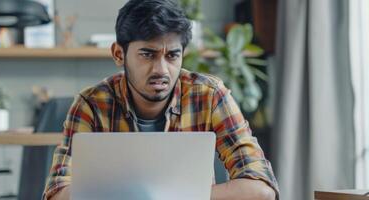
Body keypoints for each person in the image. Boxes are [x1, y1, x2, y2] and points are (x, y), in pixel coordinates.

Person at [43, 0, 279, 199]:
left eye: (172, 55)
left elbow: (262, 190)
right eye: (147, 54)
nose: (162, 70)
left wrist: (167, 195)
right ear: (118, 54)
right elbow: (57, 192)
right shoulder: (91, 104)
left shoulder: (209, 95)